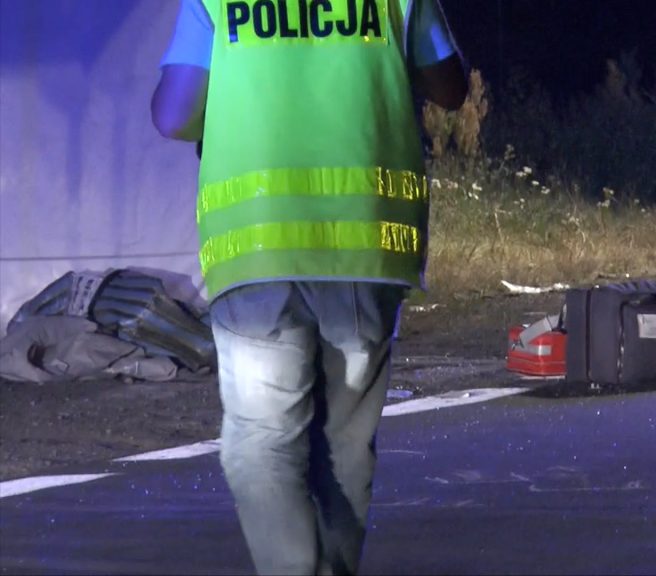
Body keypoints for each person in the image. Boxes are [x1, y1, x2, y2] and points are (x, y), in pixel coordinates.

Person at [151, 1, 467, 574]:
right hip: (365, 246)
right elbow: (451, 89)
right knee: (345, 449)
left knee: (263, 444)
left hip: (258, 247)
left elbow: (174, 115)